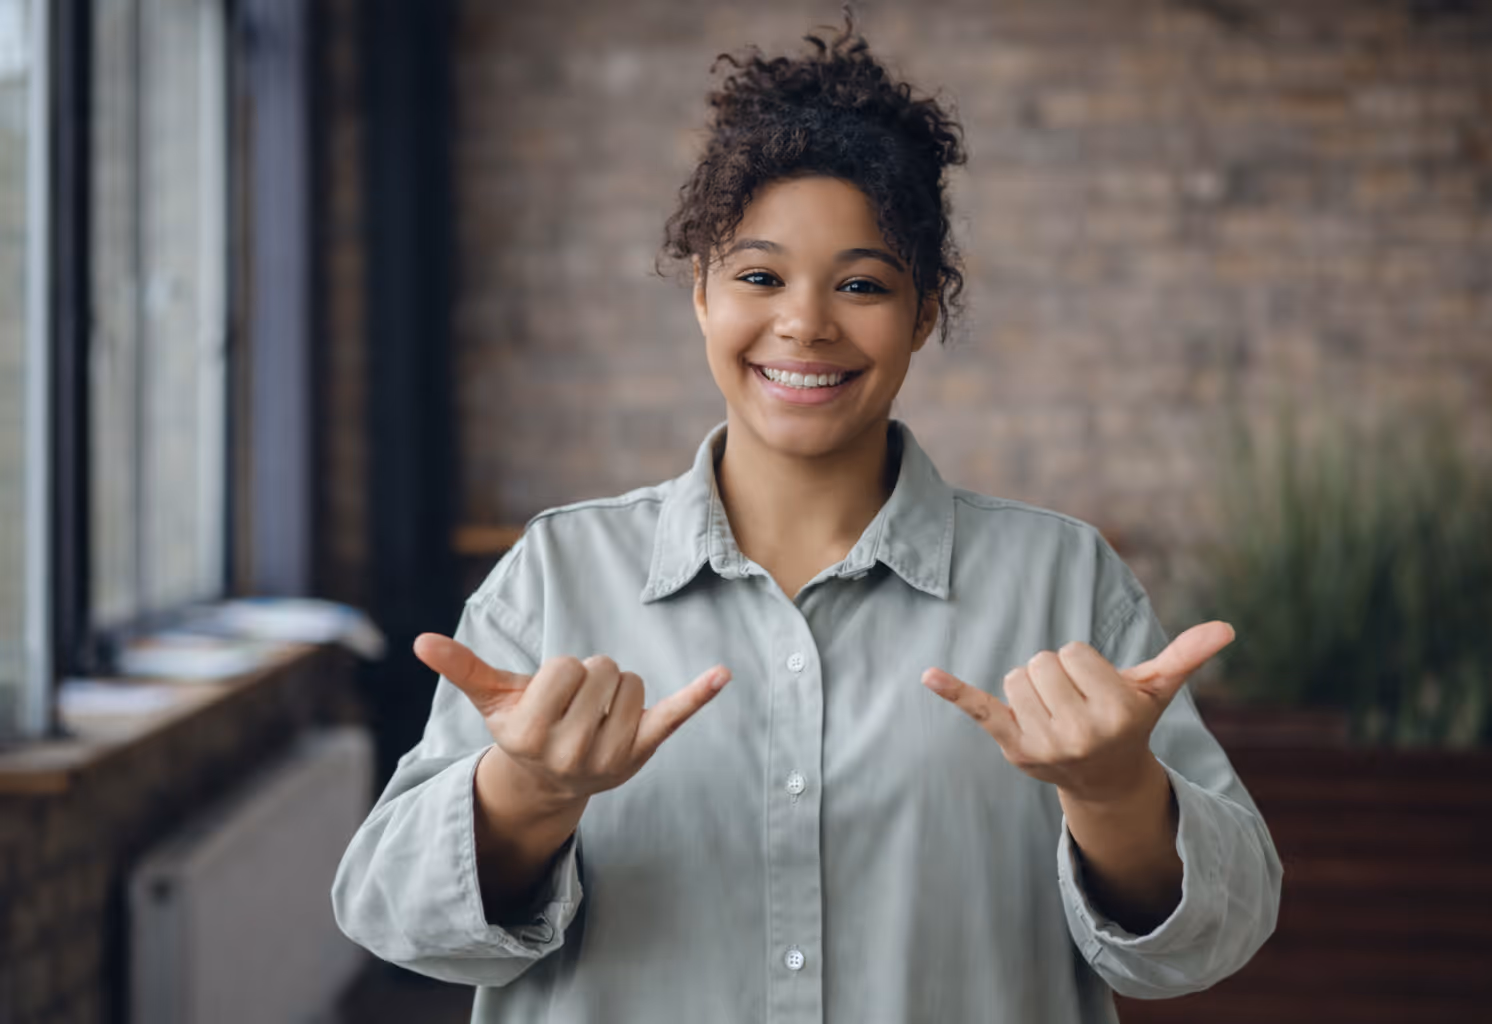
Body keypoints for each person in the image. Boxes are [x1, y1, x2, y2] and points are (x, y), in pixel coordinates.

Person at [332, 18, 1282, 1024]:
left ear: (923, 315)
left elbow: (1214, 939)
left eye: (863, 284)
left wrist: (1112, 791)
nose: (806, 323)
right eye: (759, 275)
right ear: (700, 290)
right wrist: (526, 793)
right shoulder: (561, 571)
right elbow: (393, 922)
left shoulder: (1063, 581)